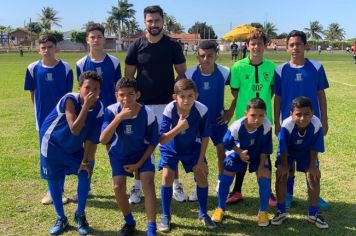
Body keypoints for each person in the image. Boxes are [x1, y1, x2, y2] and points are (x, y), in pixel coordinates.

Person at [125, 5, 187, 204]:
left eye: (157, 21)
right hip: (142, 106)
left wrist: (177, 99)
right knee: (140, 146)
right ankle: (137, 188)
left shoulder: (172, 45)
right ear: (145, 22)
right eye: (150, 21)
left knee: (170, 146)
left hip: (168, 105)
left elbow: (182, 74)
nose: (154, 24)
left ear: (163, 21)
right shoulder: (136, 46)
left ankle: (176, 185)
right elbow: (128, 76)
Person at [40, 71, 103, 235]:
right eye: (87, 88)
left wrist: (85, 160)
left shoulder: (99, 108)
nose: (91, 92)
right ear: (79, 88)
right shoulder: (70, 99)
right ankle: (61, 217)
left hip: (73, 147)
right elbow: (74, 128)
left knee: (85, 172)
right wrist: (85, 107)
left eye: (96, 89)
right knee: (54, 179)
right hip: (52, 144)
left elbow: (91, 138)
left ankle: (80, 215)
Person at [274, 30, 329, 209]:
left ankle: (313, 195)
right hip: (289, 124)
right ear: (287, 47)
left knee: (312, 159)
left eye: (298, 44)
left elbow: (321, 94)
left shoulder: (316, 67)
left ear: (305, 46)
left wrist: (325, 119)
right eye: (291, 45)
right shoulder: (280, 70)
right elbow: (278, 98)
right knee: (287, 160)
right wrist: (276, 121)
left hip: (311, 123)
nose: (295, 48)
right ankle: (288, 194)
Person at [100, 77, 159, 236]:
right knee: (118, 187)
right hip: (119, 154)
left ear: (138, 94)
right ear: (116, 95)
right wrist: (119, 118)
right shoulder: (111, 111)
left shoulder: (147, 113)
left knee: (148, 182)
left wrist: (139, 164)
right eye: (122, 95)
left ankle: (151, 228)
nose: (126, 98)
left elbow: (153, 143)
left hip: (143, 153)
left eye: (130, 94)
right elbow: (103, 139)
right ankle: (129, 222)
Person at [158, 79, 216, 232]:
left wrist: (200, 161)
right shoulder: (169, 109)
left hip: (192, 146)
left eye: (190, 96)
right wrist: (178, 127)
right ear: (174, 97)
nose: (186, 100)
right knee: (167, 176)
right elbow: (162, 140)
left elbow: (205, 136)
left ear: (196, 95)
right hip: (171, 146)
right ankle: (166, 216)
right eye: (182, 96)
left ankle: (203, 214)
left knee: (202, 174)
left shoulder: (202, 109)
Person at [228, 29, 276, 206]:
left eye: (260, 43)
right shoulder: (238, 67)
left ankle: (268, 192)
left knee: (265, 152)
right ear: (247, 46)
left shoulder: (271, 67)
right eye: (252, 44)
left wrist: (261, 110)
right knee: (242, 151)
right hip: (244, 118)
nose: (256, 47)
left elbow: (271, 90)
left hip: (264, 119)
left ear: (265, 45)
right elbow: (234, 90)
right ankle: (237, 191)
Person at [24, 35, 73, 205]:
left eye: (50, 47)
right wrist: (40, 114)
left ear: (56, 48)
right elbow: (33, 94)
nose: (47, 50)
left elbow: (68, 97)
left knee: (60, 154)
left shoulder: (66, 68)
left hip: (62, 121)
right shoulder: (32, 68)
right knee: (46, 155)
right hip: (43, 121)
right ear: (39, 49)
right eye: (43, 47)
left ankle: (59, 191)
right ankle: (50, 191)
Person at [185, 40, 235, 201]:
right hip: (197, 123)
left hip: (218, 120)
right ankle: (199, 185)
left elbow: (237, 93)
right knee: (199, 154)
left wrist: (229, 113)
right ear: (197, 56)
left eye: (210, 56)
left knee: (222, 151)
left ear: (216, 55)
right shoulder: (190, 74)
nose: (206, 59)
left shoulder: (225, 72)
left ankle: (222, 183)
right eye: (202, 56)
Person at [212, 98, 273, 227]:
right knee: (226, 179)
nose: (257, 119)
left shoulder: (267, 125)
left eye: (261, 115)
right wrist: (239, 152)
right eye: (253, 115)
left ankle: (263, 212)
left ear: (265, 115)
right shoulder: (237, 126)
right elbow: (227, 142)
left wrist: (261, 166)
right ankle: (220, 208)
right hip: (238, 152)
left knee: (265, 178)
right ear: (246, 114)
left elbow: (266, 148)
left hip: (257, 153)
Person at [271, 96, 329, 229]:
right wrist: (284, 166)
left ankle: (313, 214)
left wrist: (312, 166)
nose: (303, 118)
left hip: (307, 152)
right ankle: (281, 211)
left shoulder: (316, 124)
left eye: (307, 114)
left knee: (313, 176)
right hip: (289, 152)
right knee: (282, 175)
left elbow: (315, 147)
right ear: (291, 114)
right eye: (298, 114)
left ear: (312, 113)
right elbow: (283, 147)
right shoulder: (286, 125)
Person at [76, 22, 121, 108]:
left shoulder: (115, 62)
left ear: (104, 39)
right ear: (87, 40)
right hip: (90, 111)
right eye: (92, 37)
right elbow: (81, 90)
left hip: (110, 109)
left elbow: (119, 89)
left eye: (99, 37)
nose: (96, 40)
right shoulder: (80, 64)